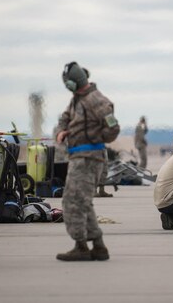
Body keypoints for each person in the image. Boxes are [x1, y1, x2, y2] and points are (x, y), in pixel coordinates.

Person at [55, 61, 119, 261]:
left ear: (74, 82)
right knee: (83, 202)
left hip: (88, 159)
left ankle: (81, 246)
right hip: (78, 157)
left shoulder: (96, 100)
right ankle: (98, 246)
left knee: (72, 202)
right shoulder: (77, 100)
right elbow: (63, 119)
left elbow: (113, 128)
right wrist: (62, 131)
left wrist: (95, 138)